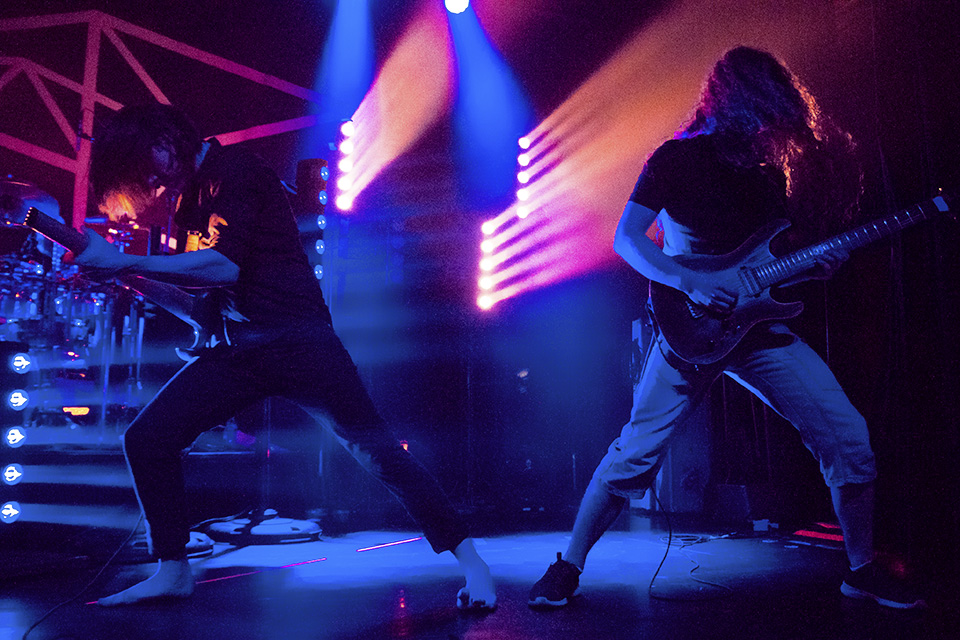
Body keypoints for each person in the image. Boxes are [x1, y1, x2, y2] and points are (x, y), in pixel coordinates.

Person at [528, 46, 925, 610]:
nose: (770, 126)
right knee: (634, 455)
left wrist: (816, 264)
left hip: (759, 331)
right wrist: (688, 283)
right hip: (689, 331)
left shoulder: (768, 175)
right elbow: (627, 239)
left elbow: (769, 260)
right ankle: (568, 566)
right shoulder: (674, 160)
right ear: (735, 101)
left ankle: (861, 568)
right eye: (763, 110)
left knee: (848, 439)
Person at [75, 104, 496, 610]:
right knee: (147, 438)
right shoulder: (190, 204)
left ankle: (473, 562)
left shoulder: (240, 171)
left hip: (300, 343)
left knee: (380, 455)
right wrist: (126, 275)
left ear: (166, 143)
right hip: (241, 350)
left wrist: (123, 258)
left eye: (147, 169)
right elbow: (203, 309)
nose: (151, 185)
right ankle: (173, 569)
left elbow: (224, 268)